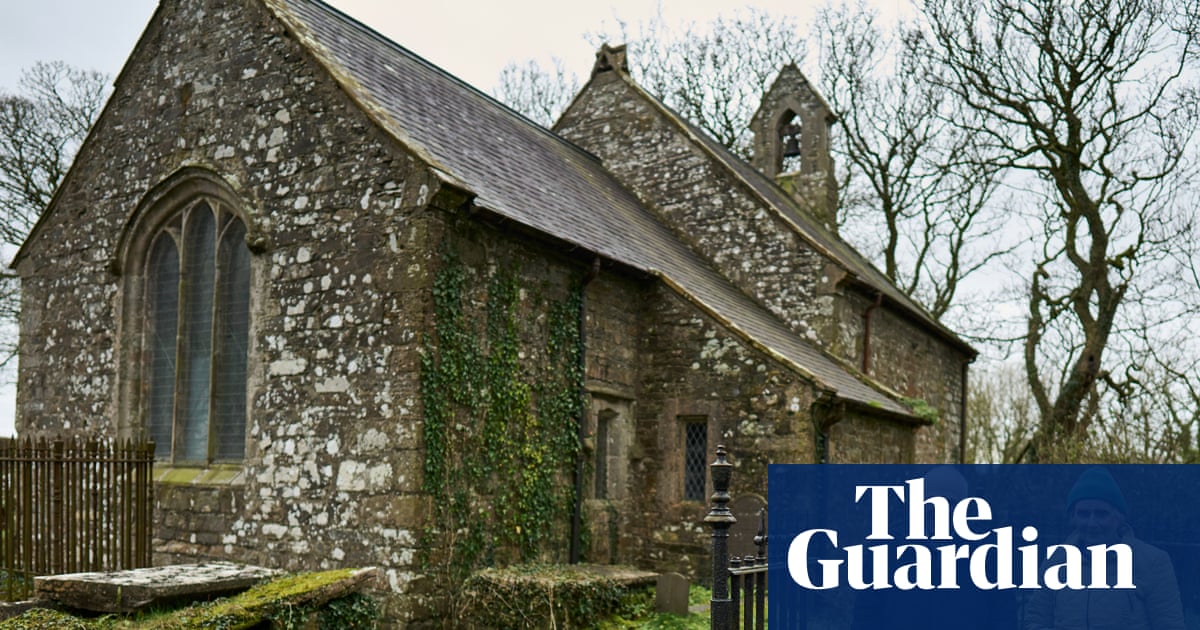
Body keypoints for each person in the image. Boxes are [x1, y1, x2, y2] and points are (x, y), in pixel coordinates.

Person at [1023, 467, 1185, 630]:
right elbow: (1036, 620)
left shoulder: (1153, 563)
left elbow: (1170, 625)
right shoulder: (1055, 561)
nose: (1092, 523)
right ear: (1073, 518)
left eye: (1101, 514)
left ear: (1119, 517)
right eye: (1084, 514)